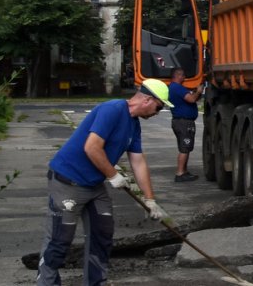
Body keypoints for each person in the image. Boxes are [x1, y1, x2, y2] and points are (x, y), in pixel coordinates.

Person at [39, 79, 172, 285]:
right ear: (147, 99)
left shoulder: (133, 125)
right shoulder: (113, 109)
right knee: (60, 239)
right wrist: (113, 175)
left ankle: (95, 282)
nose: (158, 111)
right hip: (68, 182)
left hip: (93, 186)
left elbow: (138, 162)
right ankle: (46, 282)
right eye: (159, 106)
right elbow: (92, 147)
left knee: (102, 236)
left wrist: (150, 199)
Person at [164, 68, 202, 182]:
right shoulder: (177, 88)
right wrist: (199, 91)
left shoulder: (173, 88)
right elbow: (191, 99)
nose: (185, 78)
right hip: (183, 122)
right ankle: (180, 173)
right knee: (185, 148)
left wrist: (196, 94)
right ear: (178, 75)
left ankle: (184, 171)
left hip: (181, 122)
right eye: (183, 75)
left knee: (185, 147)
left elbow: (192, 99)